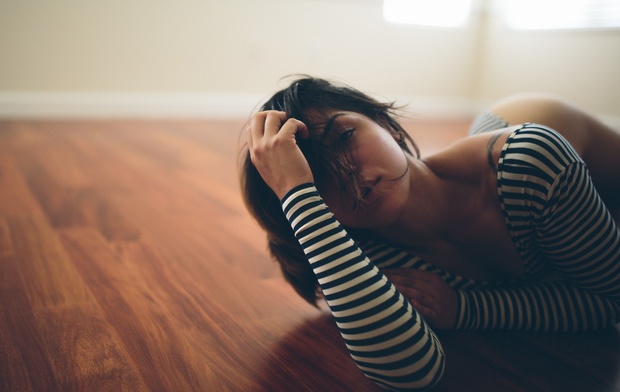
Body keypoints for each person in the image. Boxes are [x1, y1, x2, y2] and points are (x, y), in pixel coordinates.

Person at [239, 76, 620, 391]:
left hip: (539, 125)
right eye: (314, 176)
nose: (345, 175)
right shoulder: (371, 260)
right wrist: (296, 192)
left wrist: (464, 309)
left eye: (344, 137)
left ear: (384, 123)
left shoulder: (533, 164)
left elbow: (613, 302)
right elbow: (409, 371)